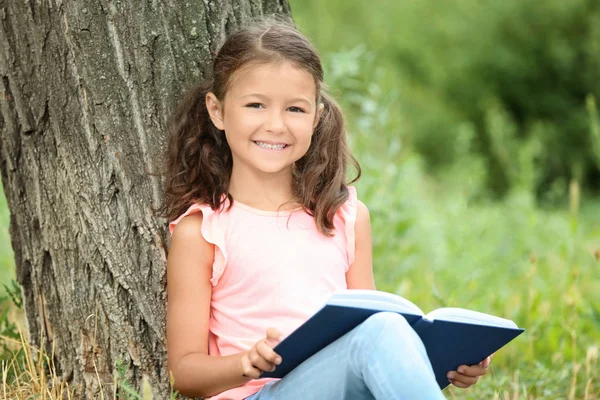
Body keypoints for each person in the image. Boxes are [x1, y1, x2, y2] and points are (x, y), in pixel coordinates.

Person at [161, 17, 492, 400]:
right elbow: (184, 371)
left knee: (383, 327)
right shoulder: (203, 230)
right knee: (381, 330)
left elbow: (367, 336)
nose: (276, 125)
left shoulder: (345, 217)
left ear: (317, 116)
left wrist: (443, 361)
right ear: (217, 112)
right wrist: (244, 363)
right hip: (257, 395)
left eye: (295, 110)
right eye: (255, 105)